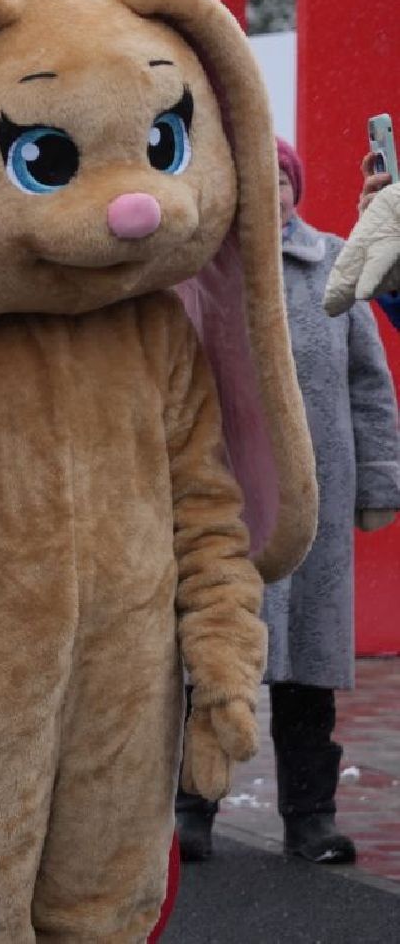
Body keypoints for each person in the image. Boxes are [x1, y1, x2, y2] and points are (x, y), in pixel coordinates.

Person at [177, 139, 400, 865]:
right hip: (221, 503)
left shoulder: (334, 262)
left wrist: (378, 480)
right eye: (253, 179)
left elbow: (368, 384)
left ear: (294, 189)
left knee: (308, 670)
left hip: (313, 506)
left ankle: (310, 819)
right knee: (208, 661)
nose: (268, 191)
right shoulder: (193, 270)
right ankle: (190, 813)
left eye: (279, 179)